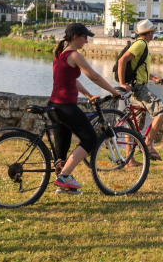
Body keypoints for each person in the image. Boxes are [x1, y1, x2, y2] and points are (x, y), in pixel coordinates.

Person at [49, 23, 120, 194]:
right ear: (75, 37)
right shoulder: (74, 55)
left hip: (53, 106)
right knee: (90, 140)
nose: (86, 41)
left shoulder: (60, 55)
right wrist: (113, 91)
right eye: (84, 37)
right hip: (65, 106)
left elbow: (71, 80)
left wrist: (88, 95)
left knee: (62, 147)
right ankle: (65, 176)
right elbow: (94, 76)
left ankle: (64, 185)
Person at [117, 19, 163, 160]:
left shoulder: (141, 45)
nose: (154, 33)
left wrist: (154, 79)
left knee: (134, 125)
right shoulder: (140, 44)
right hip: (138, 89)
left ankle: (129, 159)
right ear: (150, 33)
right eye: (153, 31)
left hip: (138, 86)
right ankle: (148, 143)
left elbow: (139, 68)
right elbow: (122, 60)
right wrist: (122, 83)